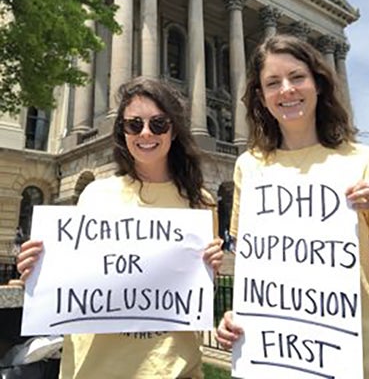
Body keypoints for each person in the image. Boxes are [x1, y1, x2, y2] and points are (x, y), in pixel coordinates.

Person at [215, 34, 369, 378]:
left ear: (318, 82)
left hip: (362, 365)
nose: (286, 90)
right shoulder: (250, 168)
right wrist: (236, 316)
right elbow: (253, 274)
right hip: (277, 365)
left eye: (297, 77)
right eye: (273, 82)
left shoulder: (365, 162)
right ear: (261, 96)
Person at [17, 76, 224, 379]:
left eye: (158, 124)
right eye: (133, 124)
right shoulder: (95, 195)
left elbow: (197, 292)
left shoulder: (201, 204)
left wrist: (212, 270)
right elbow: (74, 279)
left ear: (174, 129)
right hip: (93, 369)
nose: (145, 133)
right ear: (122, 132)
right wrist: (37, 270)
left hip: (171, 369)